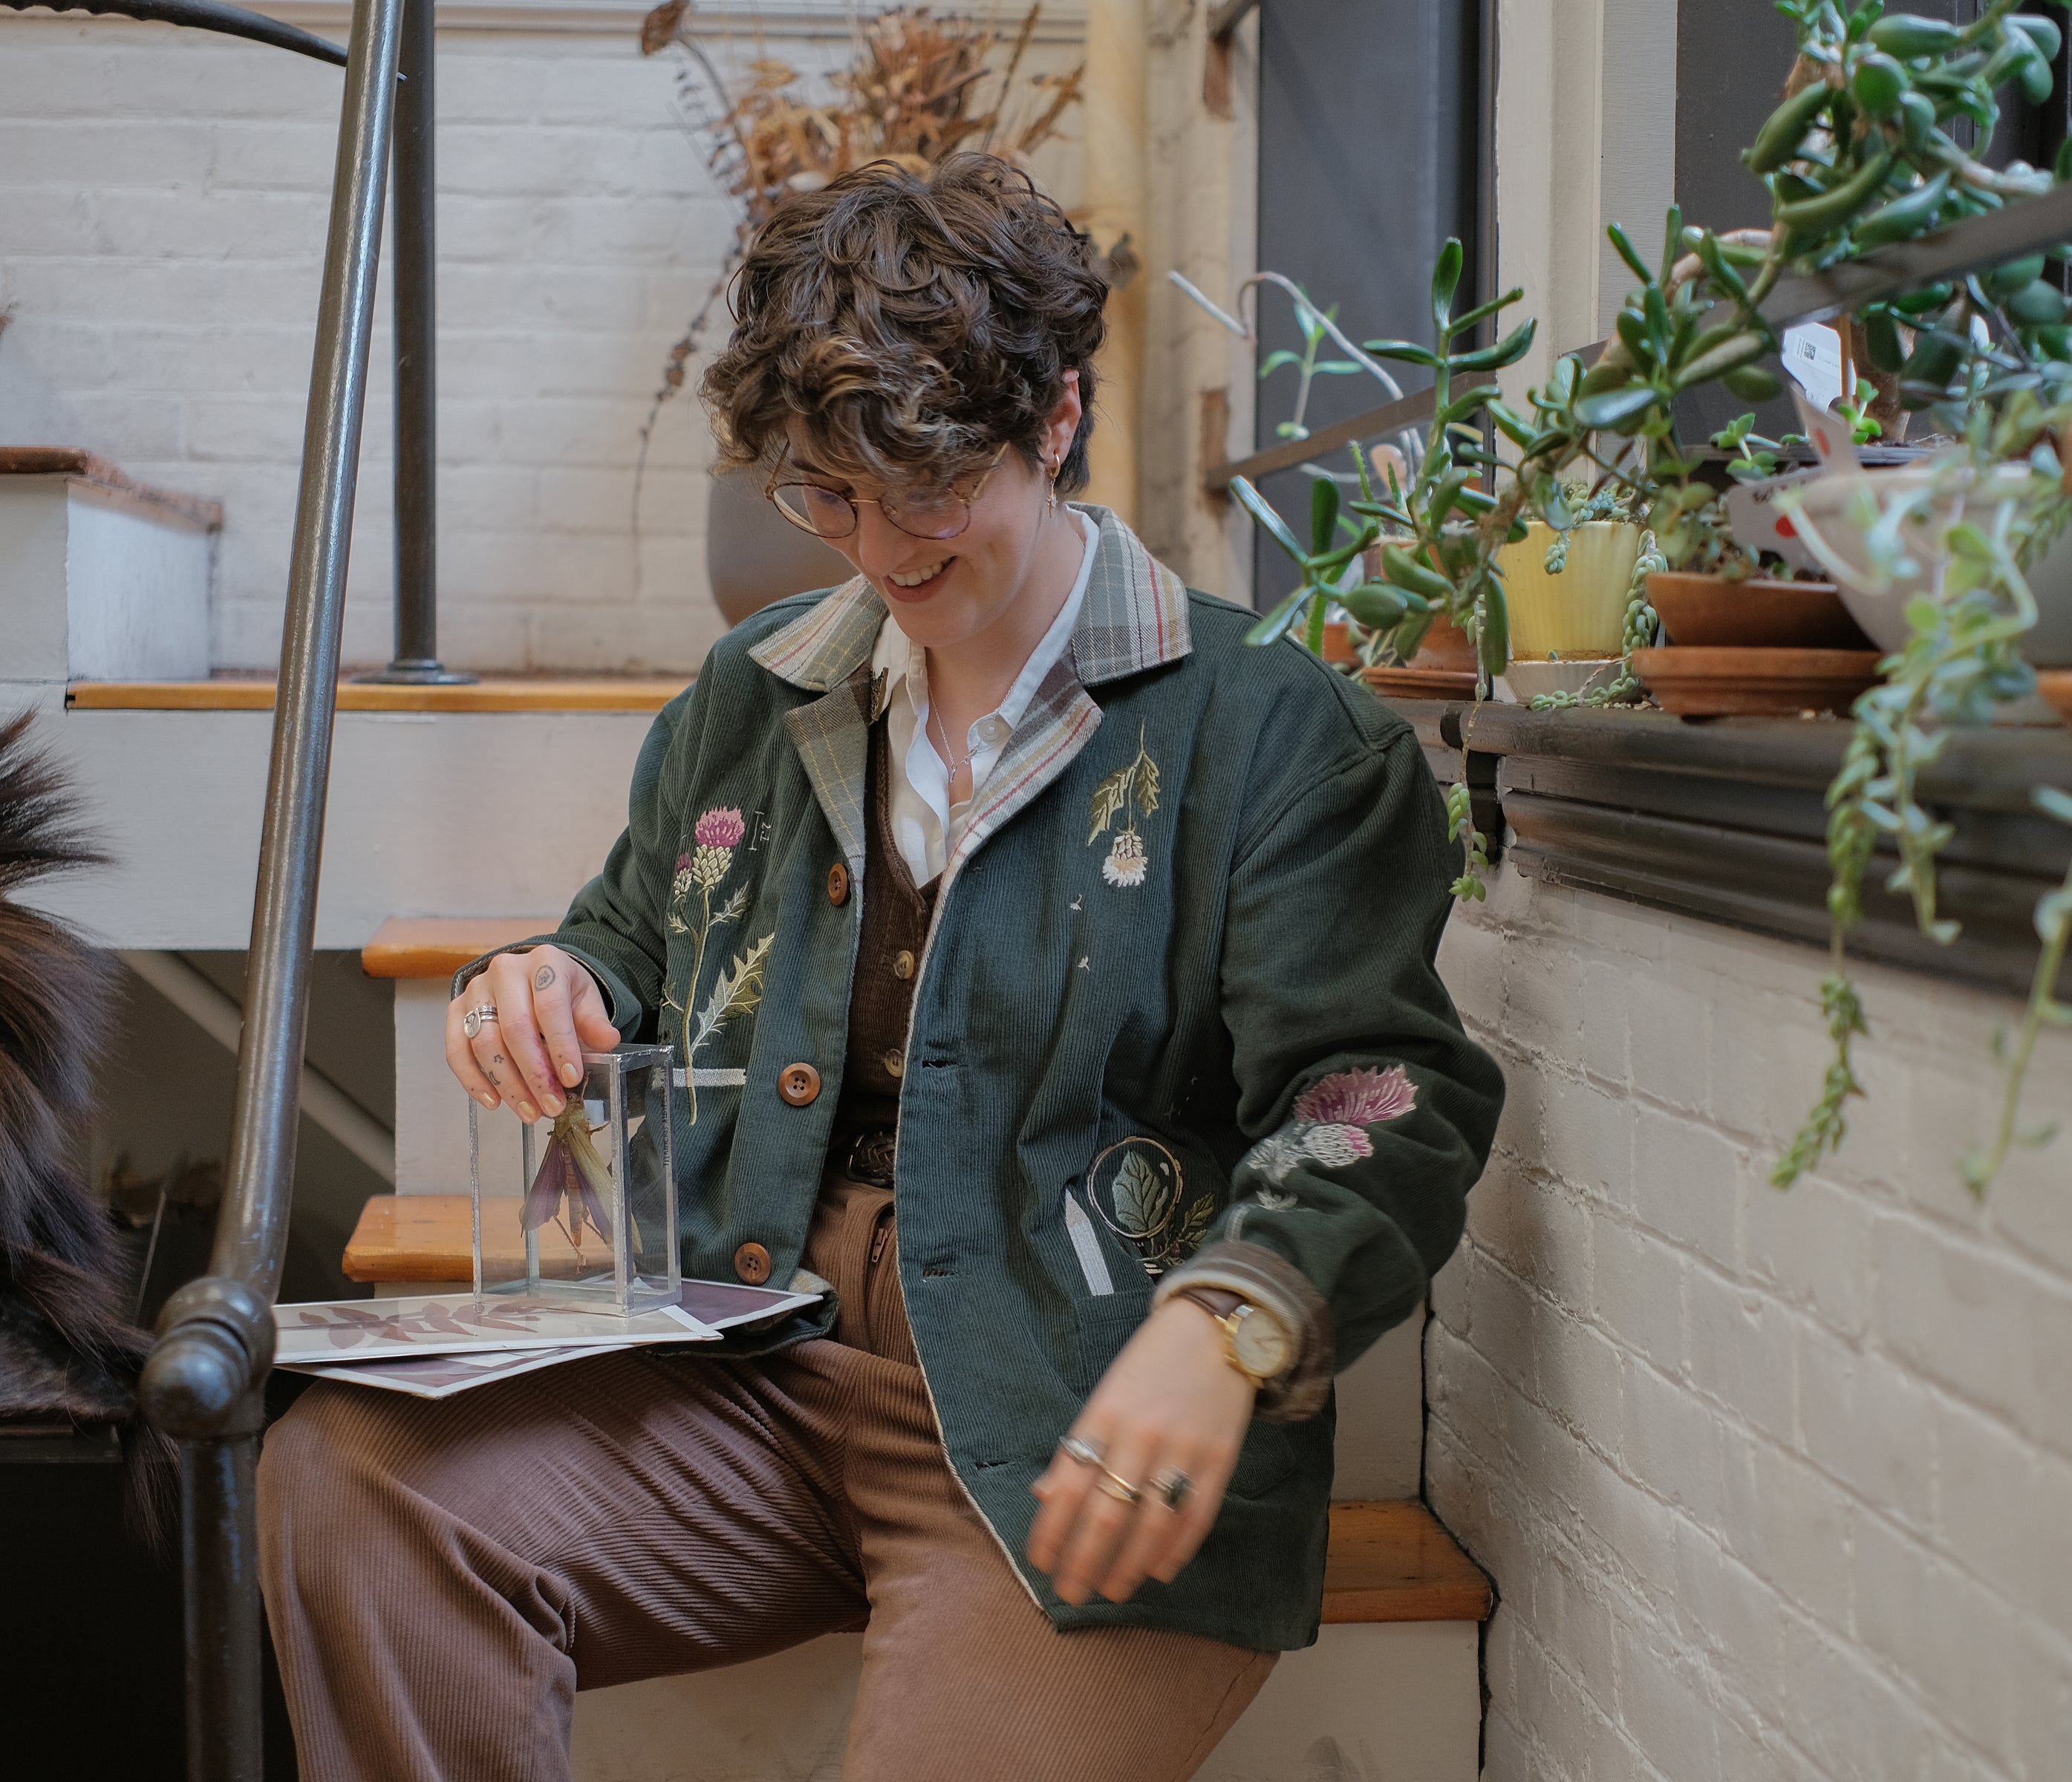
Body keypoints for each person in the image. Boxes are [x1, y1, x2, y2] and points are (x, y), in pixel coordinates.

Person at [256, 153, 1502, 1782]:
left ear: (1055, 418)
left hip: (1080, 1431)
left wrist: (1229, 1328)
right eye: (825, 495)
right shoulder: (750, 696)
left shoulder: (1273, 735)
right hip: (750, 1382)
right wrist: (550, 982)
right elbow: (630, 934)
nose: (879, 549)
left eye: (925, 487)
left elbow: (1382, 1097)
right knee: (347, 1473)